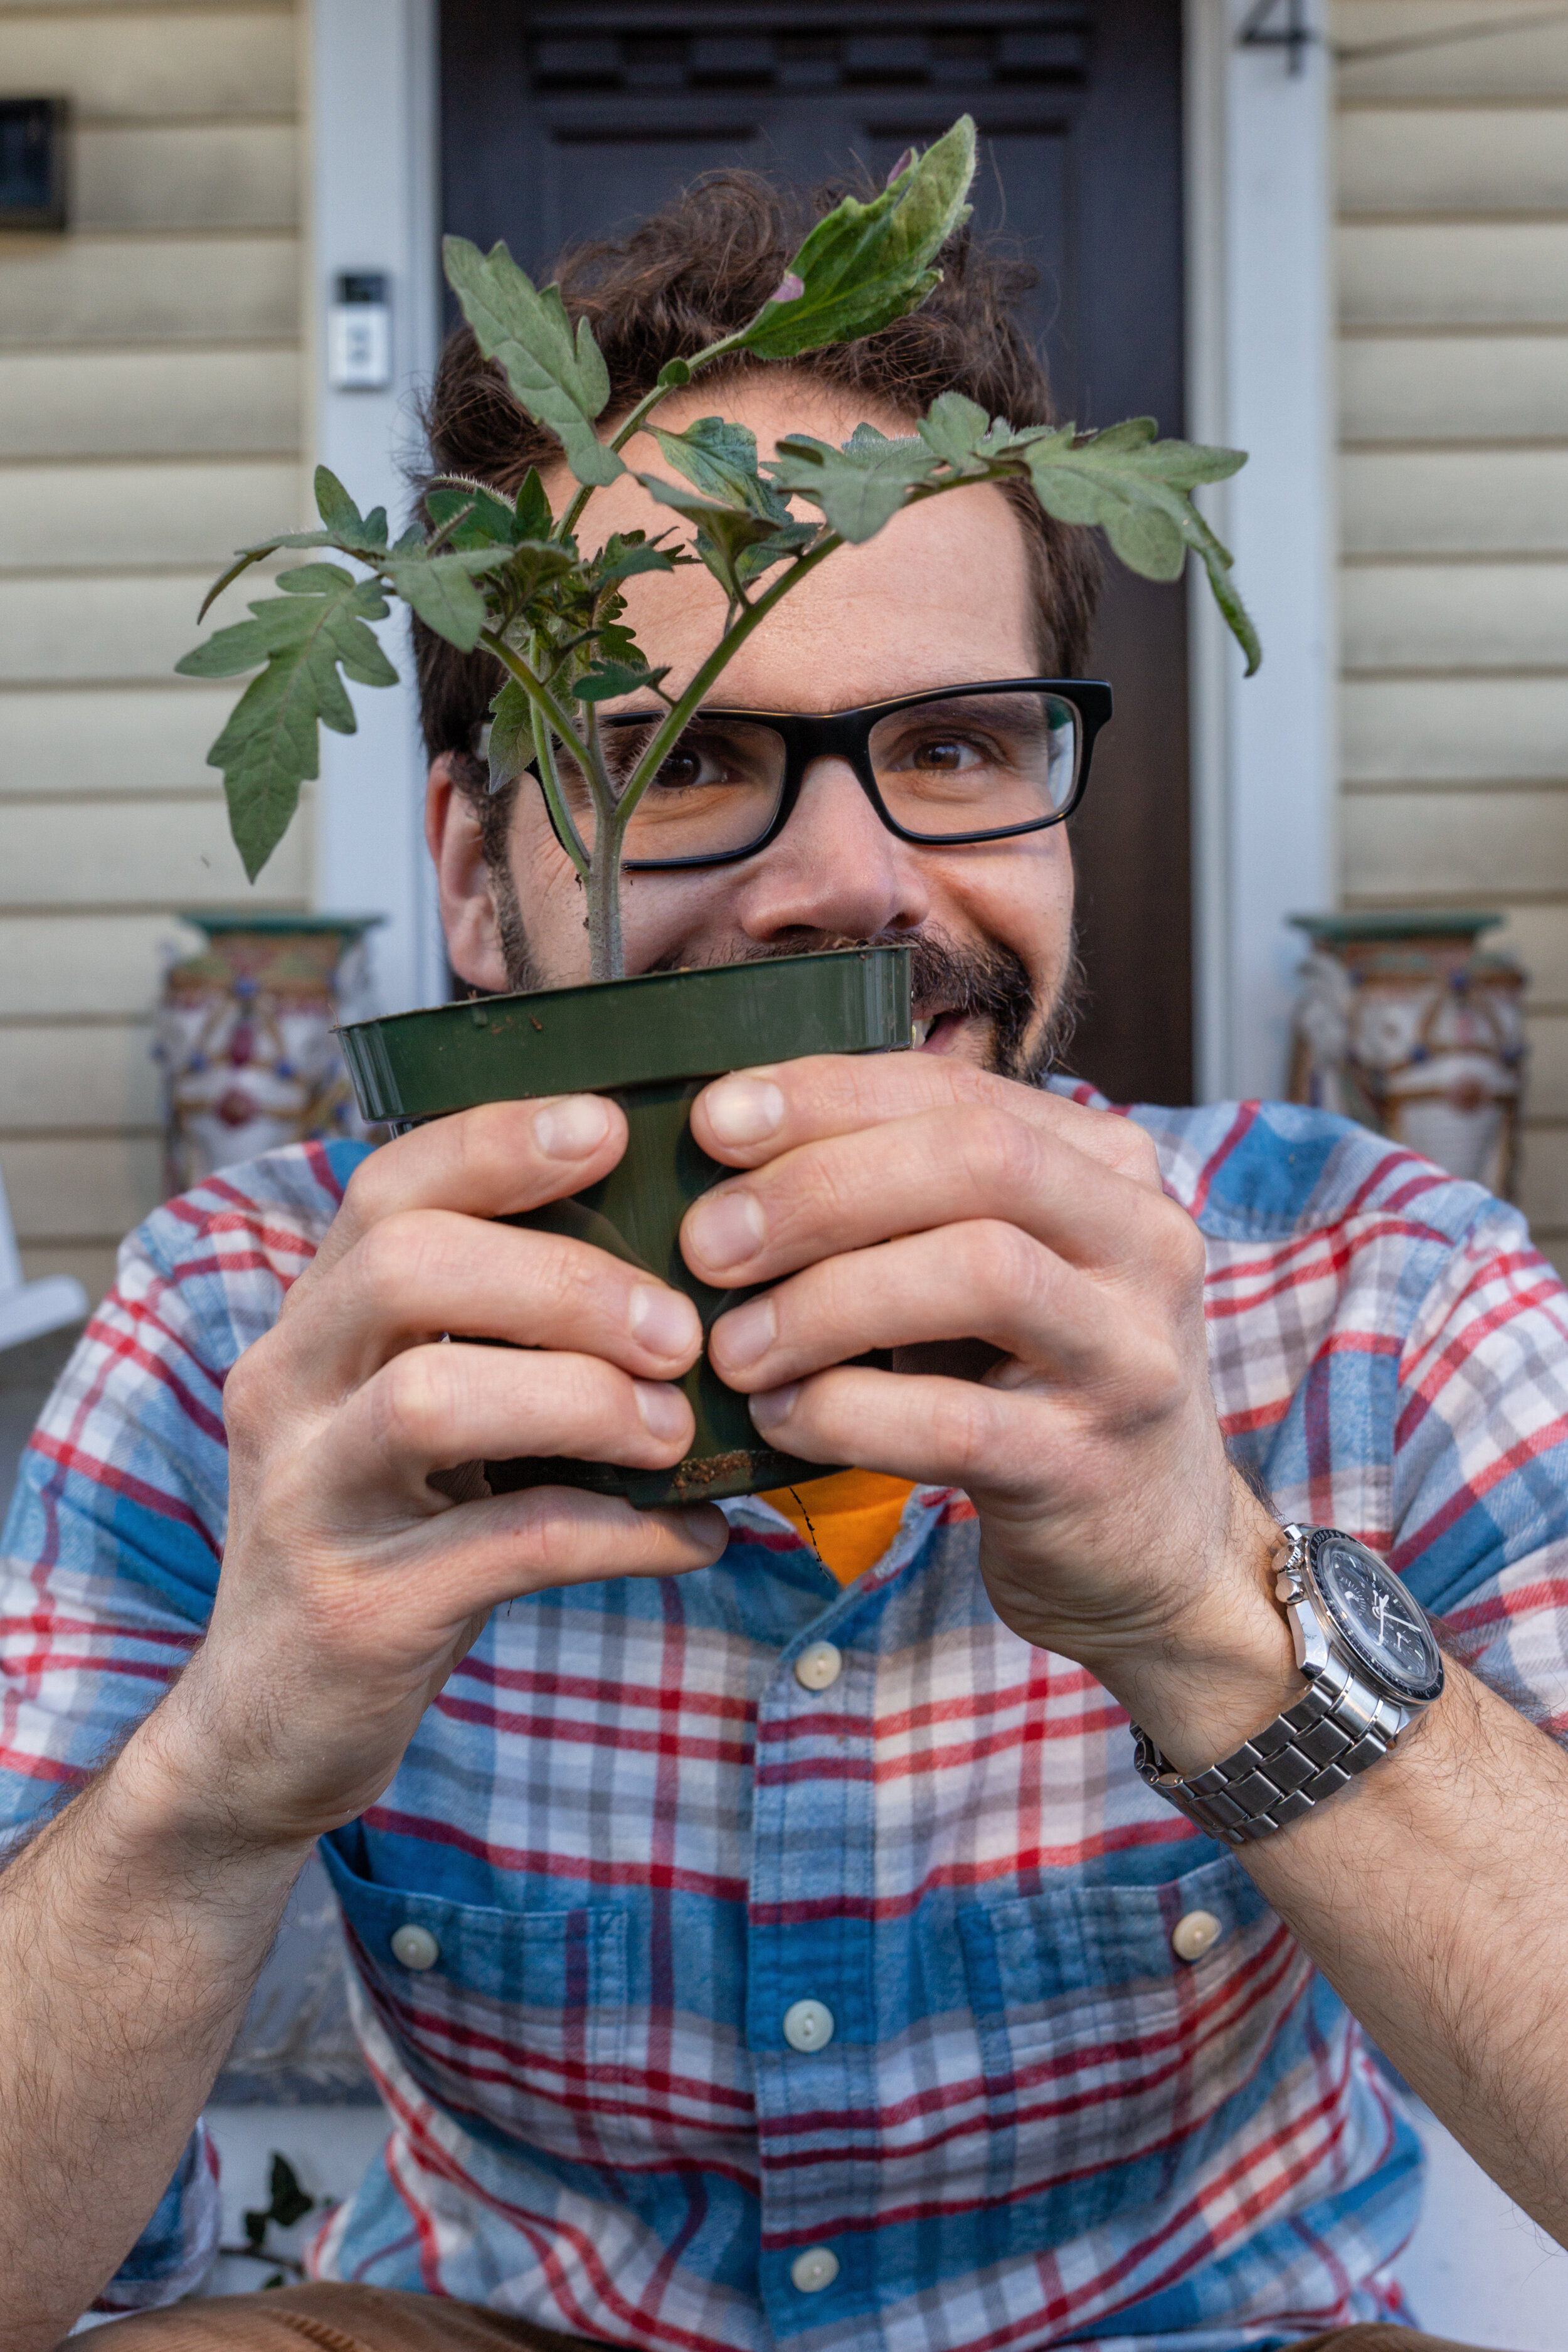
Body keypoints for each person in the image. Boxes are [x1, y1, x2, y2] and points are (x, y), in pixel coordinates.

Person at [3, 176, 1567, 2352]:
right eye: (684, 759)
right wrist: (222, 1774)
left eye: (950, 749)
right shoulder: (252, 1330)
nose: (848, 883)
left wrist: (1215, 1617)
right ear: (475, 876)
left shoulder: (1383, 1289)